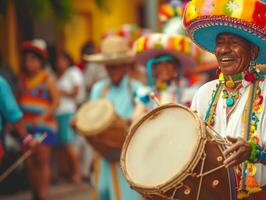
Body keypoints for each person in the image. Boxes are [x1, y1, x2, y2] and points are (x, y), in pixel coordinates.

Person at [184, 0, 266, 199]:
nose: (224, 50)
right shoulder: (204, 93)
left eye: (234, 43)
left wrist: (255, 152)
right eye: (220, 43)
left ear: (253, 52)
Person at [83, 35, 143, 200]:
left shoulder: (138, 89)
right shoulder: (98, 89)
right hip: (103, 155)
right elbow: (90, 119)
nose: (111, 70)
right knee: (102, 191)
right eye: (108, 67)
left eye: (115, 66)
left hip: (129, 157)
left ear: (125, 66)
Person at [18, 39, 60, 200]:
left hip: (45, 127)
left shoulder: (47, 79)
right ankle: (35, 193)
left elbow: (56, 101)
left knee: (42, 160)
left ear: (40, 62)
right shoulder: (22, 81)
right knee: (29, 162)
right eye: (27, 60)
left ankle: (43, 195)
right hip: (26, 128)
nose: (29, 64)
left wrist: (43, 117)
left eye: (33, 60)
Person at [132, 33, 199, 106]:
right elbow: (137, 116)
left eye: (169, 62)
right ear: (154, 67)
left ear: (176, 66)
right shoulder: (145, 94)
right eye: (159, 63)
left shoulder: (188, 93)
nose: (164, 67)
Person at [54, 51, 83, 182]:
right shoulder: (59, 75)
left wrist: (61, 92)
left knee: (68, 144)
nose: (59, 63)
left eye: (61, 60)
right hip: (59, 113)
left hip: (68, 112)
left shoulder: (73, 72)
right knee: (61, 145)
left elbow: (76, 92)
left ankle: (77, 173)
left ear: (67, 60)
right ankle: (64, 173)